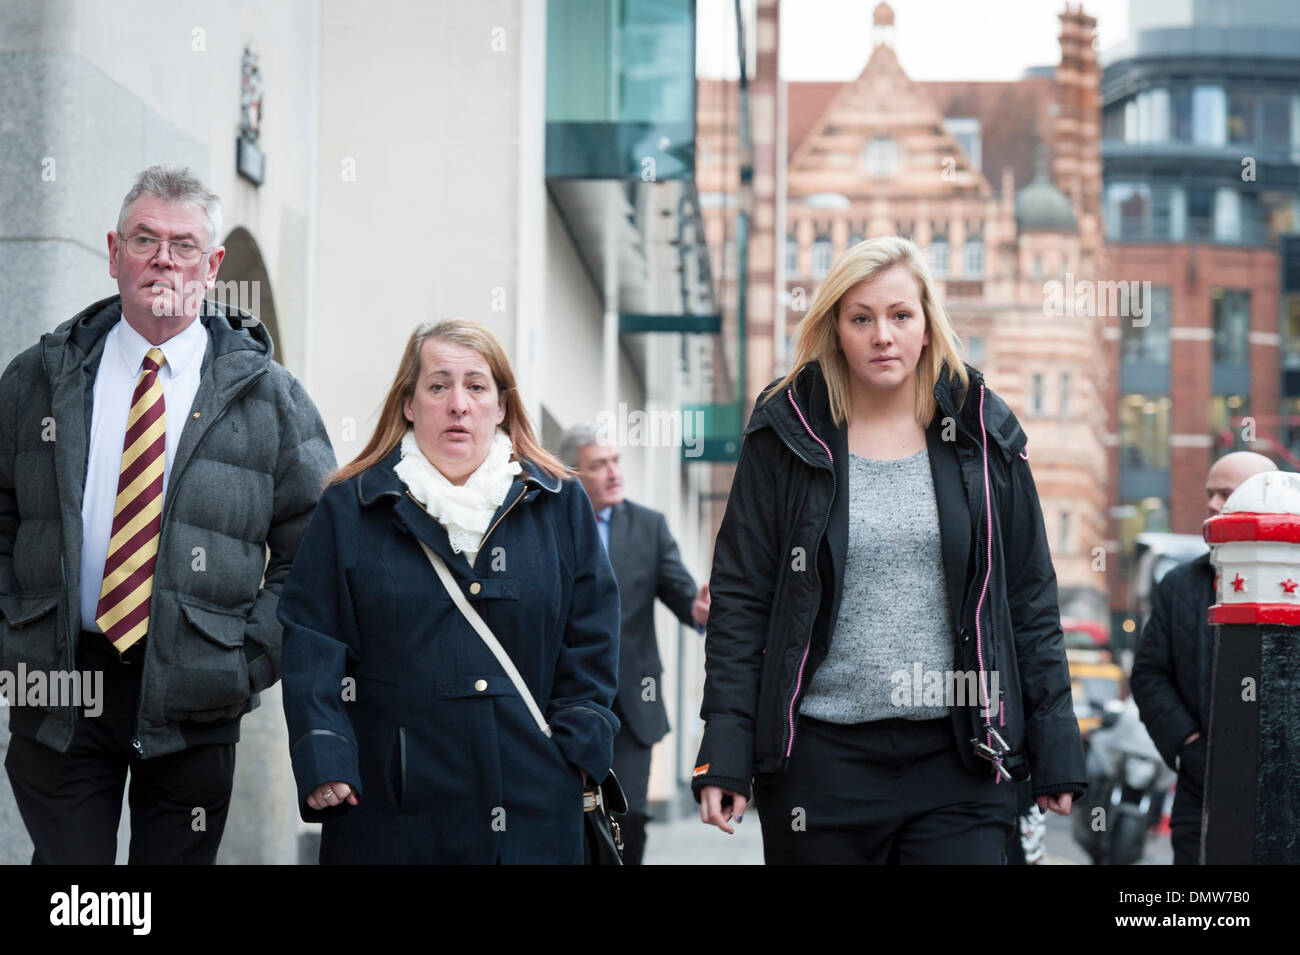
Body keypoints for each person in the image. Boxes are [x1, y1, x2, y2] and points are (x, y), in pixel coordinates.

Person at [692, 235, 1086, 864]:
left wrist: (1054, 739)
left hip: (962, 755)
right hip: (818, 761)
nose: (883, 335)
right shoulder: (784, 433)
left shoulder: (982, 432)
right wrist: (726, 748)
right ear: (836, 331)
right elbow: (742, 601)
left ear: (927, 326)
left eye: (900, 316)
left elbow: (1029, 598)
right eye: (861, 318)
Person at [0, 165, 334, 864]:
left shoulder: (270, 399)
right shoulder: (38, 377)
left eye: (184, 245)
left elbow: (317, 555)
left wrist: (242, 660)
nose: (162, 258)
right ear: (114, 252)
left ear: (212, 266)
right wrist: (13, 630)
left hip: (195, 694)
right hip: (62, 683)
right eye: (144, 238)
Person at [278, 320, 621, 864]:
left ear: (502, 406)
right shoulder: (352, 507)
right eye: (438, 386)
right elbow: (312, 641)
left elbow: (592, 637)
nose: (458, 404)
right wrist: (325, 759)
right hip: (393, 808)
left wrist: (578, 749)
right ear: (409, 404)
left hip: (534, 800)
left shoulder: (559, 503)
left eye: (476, 386)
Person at [558, 424, 710, 865]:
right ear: (573, 472)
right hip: (564, 693)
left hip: (633, 701)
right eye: (599, 464)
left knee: (631, 815)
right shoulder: (553, 518)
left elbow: (681, 593)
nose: (613, 472)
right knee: (566, 810)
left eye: (616, 461)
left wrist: (699, 612)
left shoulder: (649, 526)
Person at [1130, 450, 1275, 866]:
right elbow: (1149, 674)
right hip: (1203, 790)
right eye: (1209, 493)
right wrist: (1189, 746)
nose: (1211, 504)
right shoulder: (1181, 584)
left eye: (1225, 494)